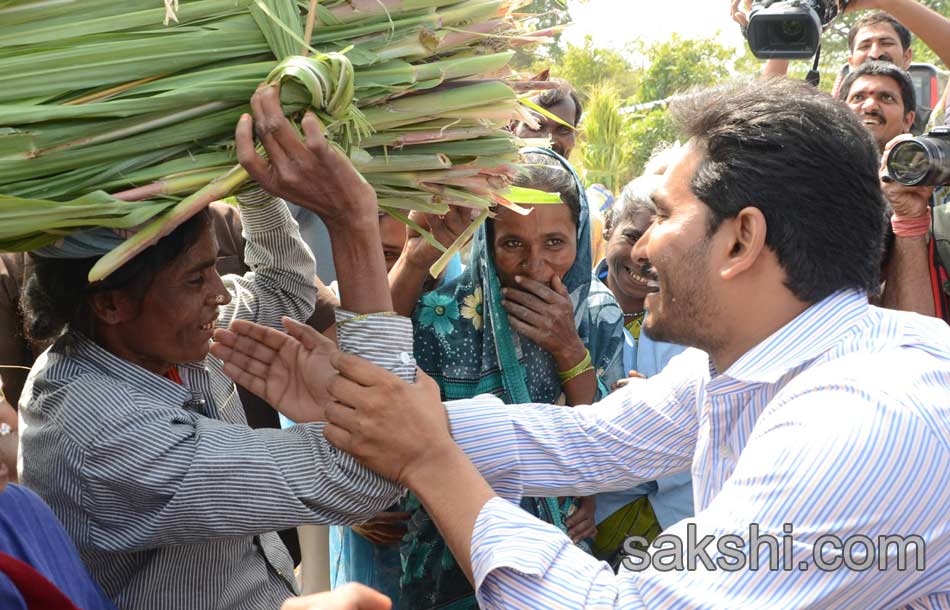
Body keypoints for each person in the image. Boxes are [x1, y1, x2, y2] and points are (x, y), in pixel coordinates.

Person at [217, 78, 950, 608]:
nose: (636, 248)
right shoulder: (755, 366)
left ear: (742, 240)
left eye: (661, 216)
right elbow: (583, 441)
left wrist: (426, 457)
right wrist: (368, 407)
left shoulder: (862, 419)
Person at [16, 85, 416, 610]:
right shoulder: (109, 435)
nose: (220, 293)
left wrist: (251, 175)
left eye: (214, 269)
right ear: (111, 303)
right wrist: (354, 225)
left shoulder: (162, 340)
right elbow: (367, 470)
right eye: (195, 279)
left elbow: (284, 290)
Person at [334, 149, 625, 609]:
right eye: (513, 244)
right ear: (486, 242)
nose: (534, 265)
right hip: (446, 549)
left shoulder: (596, 314)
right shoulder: (442, 314)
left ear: (580, 236)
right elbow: (373, 375)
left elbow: (613, 429)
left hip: (556, 546)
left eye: (555, 243)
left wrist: (569, 349)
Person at [590, 174, 693, 568]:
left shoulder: (697, 319)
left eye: (657, 241)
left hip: (679, 519)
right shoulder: (569, 309)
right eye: (631, 237)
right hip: (584, 516)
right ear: (609, 229)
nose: (641, 255)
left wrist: (664, 404)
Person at [733, 0, 950, 88]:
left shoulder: (932, 121)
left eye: (886, 42)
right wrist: (783, 24)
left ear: (907, 57)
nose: (875, 53)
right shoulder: (830, 126)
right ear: (850, 61)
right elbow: (765, 111)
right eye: (864, 46)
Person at [838, 60, 917, 152]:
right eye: (858, 97)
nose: (869, 107)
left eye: (886, 98)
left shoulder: (926, 164)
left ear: (907, 120)